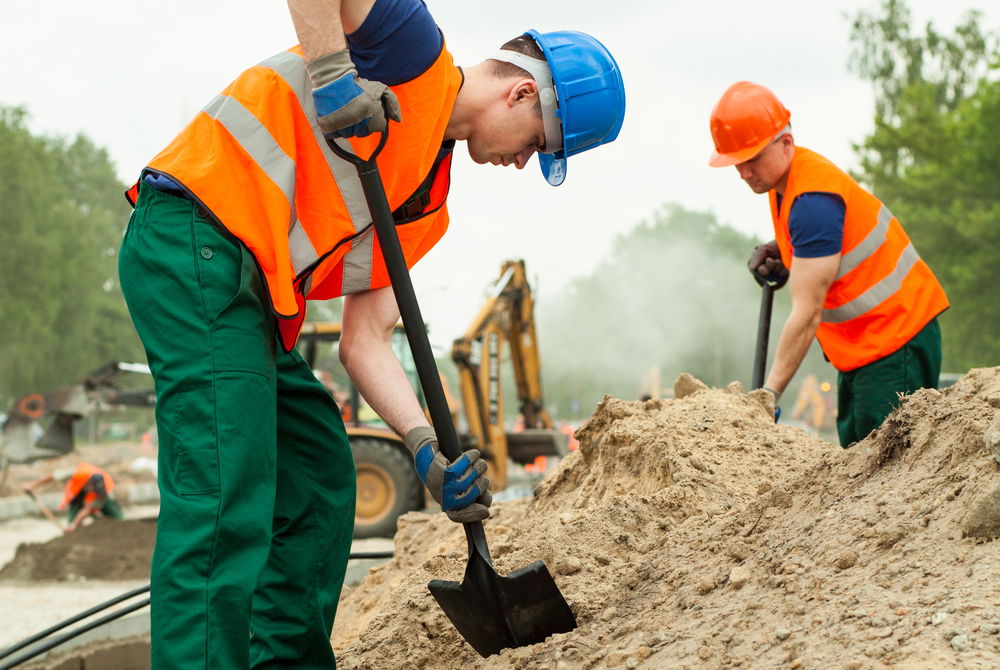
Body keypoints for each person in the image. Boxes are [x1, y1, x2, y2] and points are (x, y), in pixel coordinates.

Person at [117, 1, 626, 668]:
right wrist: (333, 75)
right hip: (195, 237)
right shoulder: (411, 55)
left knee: (320, 472)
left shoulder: (425, 206)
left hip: (248, 294)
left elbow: (365, 337)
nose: (526, 160)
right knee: (224, 490)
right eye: (539, 143)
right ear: (522, 92)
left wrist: (424, 454)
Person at [707, 81, 948, 448]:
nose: (744, 172)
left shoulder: (812, 201)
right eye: (737, 162)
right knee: (858, 462)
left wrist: (768, 395)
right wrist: (785, 252)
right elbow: (827, 245)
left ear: (786, 143)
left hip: (895, 338)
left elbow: (806, 314)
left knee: (884, 469)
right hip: (866, 345)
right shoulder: (784, 185)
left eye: (752, 158)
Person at [21, 462, 124, 532]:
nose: (93, 491)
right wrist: (32, 485)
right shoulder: (78, 472)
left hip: (103, 499)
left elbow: (87, 508)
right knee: (73, 527)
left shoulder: (104, 487)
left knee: (119, 521)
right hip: (77, 498)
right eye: (92, 489)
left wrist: (74, 524)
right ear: (88, 483)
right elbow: (53, 476)